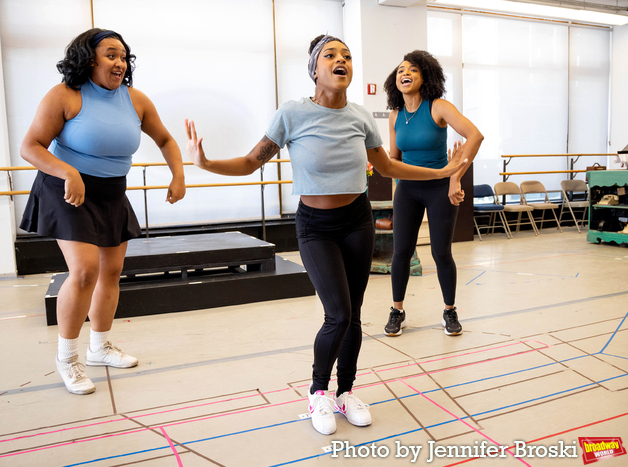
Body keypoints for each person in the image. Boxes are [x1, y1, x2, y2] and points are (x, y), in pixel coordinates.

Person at [185, 35, 466, 435]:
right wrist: (206, 162)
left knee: (353, 317)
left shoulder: (360, 117)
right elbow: (251, 162)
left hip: (357, 222)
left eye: (347, 56)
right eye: (331, 55)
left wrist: (441, 173)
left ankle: (346, 392)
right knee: (337, 314)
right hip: (315, 227)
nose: (341, 61)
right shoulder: (292, 114)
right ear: (315, 69)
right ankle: (318, 392)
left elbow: (388, 168)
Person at [19, 29, 186, 395]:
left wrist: (178, 173)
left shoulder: (135, 99)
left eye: (124, 57)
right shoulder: (65, 96)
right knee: (84, 271)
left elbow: (165, 139)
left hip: (112, 192)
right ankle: (67, 358)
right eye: (111, 55)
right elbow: (30, 146)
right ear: (89, 59)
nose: (120, 63)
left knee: (111, 271)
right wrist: (68, 172)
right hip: (68, 190)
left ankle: (100, 347)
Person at [382, 50, 483, 338]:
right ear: (395, 80)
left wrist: (455, 177)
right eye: (401, 69)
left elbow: (475, 136)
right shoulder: (395, 115)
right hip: (407, 190)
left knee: (441, 253)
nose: (406, 73)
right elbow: (394, 157)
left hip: (440, 189)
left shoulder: (438, 106)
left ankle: (450, 311)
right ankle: (397, 310)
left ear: (425, 76)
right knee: (401, 251)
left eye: (413, 69)